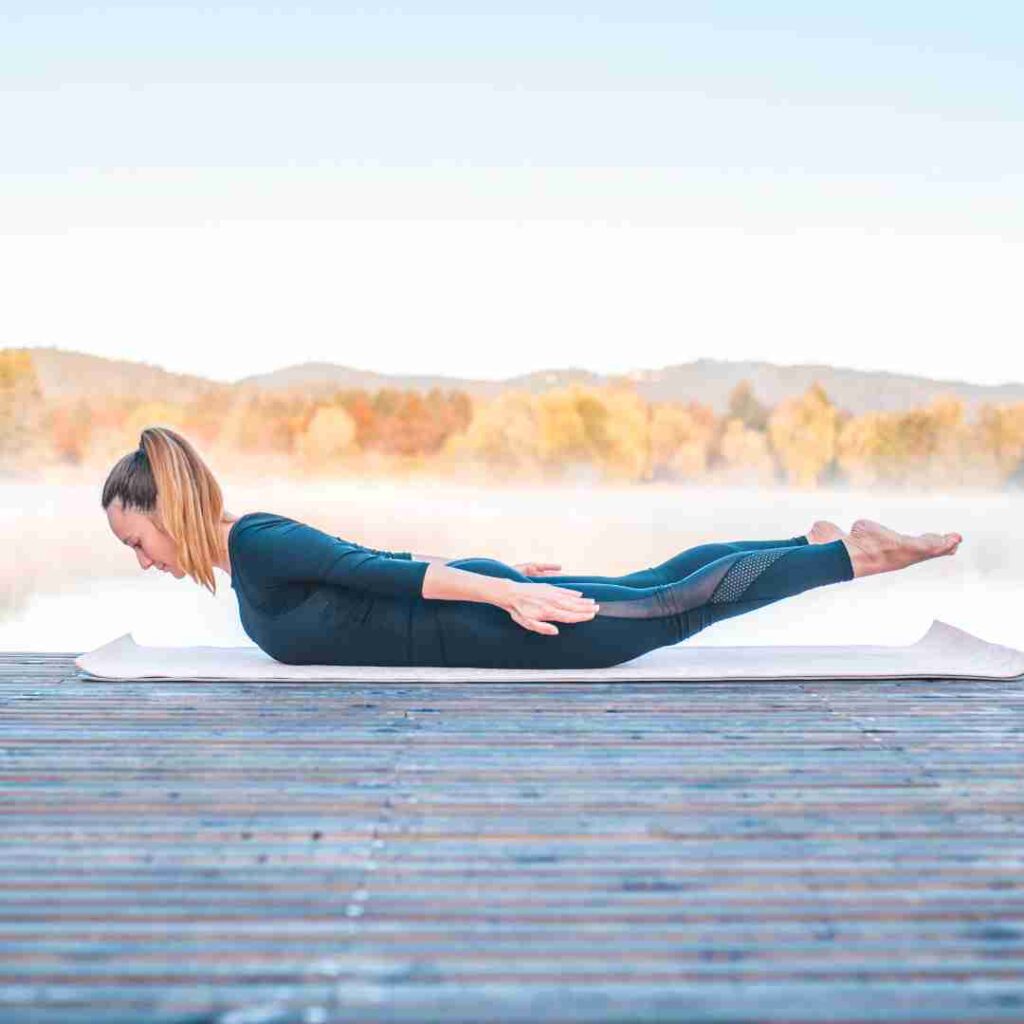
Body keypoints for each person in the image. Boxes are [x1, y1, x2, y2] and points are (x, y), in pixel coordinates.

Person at [102, 427, 962, 669]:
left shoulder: (253, 543)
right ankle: (807, 543)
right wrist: (494, 571)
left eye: (137, 540)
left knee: (667, 607)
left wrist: (505, 592)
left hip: (493, 627)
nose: (142, 559)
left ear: (166, 507)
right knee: (656, 582)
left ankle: (854, 557)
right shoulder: (256, 551)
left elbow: (378, 572)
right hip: (478, 610)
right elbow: (371, 569)